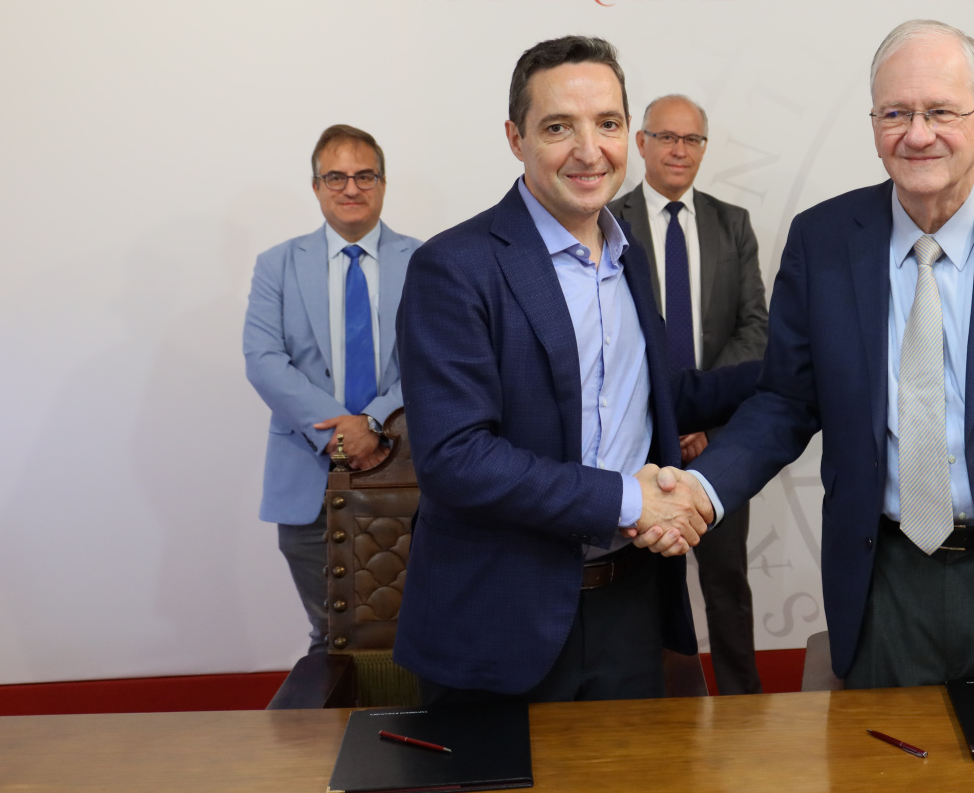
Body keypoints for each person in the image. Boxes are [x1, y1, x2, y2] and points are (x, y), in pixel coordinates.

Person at [678, 20, 974, 717]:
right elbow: (784, 403)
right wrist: (703, 489)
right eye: (896, 113)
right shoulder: (822, 242)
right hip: (885, 584)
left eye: (940, 111)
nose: (918, 133)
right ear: (874, 123)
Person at [391, 36, 760, 704]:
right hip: (498, 626)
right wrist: (629, 500)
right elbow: (456, 457)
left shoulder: (629, 257)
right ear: (516, 137)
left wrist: (791, 366)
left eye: (608, 124)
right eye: (560, 126)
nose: (590, 151)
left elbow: (653, 397)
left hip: (630, 611)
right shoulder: (455, 267)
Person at [609, 94, 770, 695]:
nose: (679, 150)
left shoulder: (733, 223)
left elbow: (756, 326)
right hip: (638, 446)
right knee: (643, 593)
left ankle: (743, 707)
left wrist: (703, 417)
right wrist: (667, 417)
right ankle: (651, 708)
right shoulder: (607, 219)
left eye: (692, 140)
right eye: (667, 137)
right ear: (642, 143)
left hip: (717, 444)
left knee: (727, 585)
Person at [244, 124, 420, 655]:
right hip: (306, 476)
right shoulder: (277, 265)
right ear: (317, 186)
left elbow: (432, 360)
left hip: (405, 474)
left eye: (364, 175)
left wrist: (372, 424)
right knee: (333, 638)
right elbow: (263, 359)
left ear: (383, 184)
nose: (351, 188)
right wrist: (338, 432)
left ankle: (405, 734)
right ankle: (337, 738)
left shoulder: (426, 261)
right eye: (336, 177)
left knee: (407, 633)